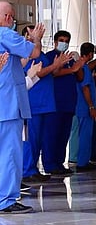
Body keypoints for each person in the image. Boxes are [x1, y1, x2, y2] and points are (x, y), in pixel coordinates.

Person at [0, 1, 45, 214]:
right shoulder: (5, 35)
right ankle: (6, 200)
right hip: (8, 106)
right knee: (10, 154)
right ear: (8, 18)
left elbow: (20, 61)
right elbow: (34, 52)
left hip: (5, 105)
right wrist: (35, 39)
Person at [22, 26, 71, 183]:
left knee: (41, 139)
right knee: (32, 140)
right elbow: (39, 73)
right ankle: (28, 170)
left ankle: (34, 169)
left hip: (45, 103)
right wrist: (55, 66)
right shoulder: (27, 55)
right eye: (31, 35)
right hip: (35, 104)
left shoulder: (41, 55)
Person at [45, 30, 84, 174]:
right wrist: (72, 69)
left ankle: (59, 163)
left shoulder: (70, 59)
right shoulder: (50, 57)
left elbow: (79, 77)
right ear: (55, 42)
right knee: (52, 134)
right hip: (55, 103)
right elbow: (53, 73)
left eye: (67, 41)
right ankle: (50, 164)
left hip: (69, 103)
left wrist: (78, 65)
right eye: (61, 40)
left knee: (64, 135)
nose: (64, 43)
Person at [75, 43, 96, 171]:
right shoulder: (83, 68)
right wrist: (91, 107)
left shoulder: (82, 67)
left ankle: (84, 160)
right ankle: (82, 163)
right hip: (85, 108)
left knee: (85, 134)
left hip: (82, 107)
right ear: (90, 54)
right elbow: (85, 88)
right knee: (85, 135)